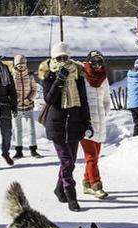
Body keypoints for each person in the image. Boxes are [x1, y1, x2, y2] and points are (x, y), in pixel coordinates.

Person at [39, 42, 91, 212]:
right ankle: (71, 196)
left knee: (71, 161)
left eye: (65, 57)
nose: (63, 60)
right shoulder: (49, 75)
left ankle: (59, 188)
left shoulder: (77, 75)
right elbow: (49, 99)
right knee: (67, 162)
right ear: (53, 58)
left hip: (75, 123)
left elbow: (83, 101)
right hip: (57, 124)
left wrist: (87, 122)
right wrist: (59, 80)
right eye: (59, 57)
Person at [81, 50, 113, 200]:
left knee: (95, 157)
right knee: (91, 156)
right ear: (88, 62)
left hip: (99, 122)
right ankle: (96, 185)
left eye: (100, 62)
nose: (98, 65)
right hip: (85, 122)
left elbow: (107, 98)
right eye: (94, 62)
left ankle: (86, 183)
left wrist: (105, 111)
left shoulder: (103, 78)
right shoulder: (82, 77)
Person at [11, 54, 41, 159]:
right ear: (15, 65)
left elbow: (34, 89)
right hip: (17, 107)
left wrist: (29, 99)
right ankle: (19, 151)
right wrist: (15, 100)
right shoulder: (12, 76)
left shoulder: (30, 76)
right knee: (18, 129)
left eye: (23, 64)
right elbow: (9, 91)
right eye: (19, 64)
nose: (21, 66)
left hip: (28, 106)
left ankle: (33, 150)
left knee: (31, 128)